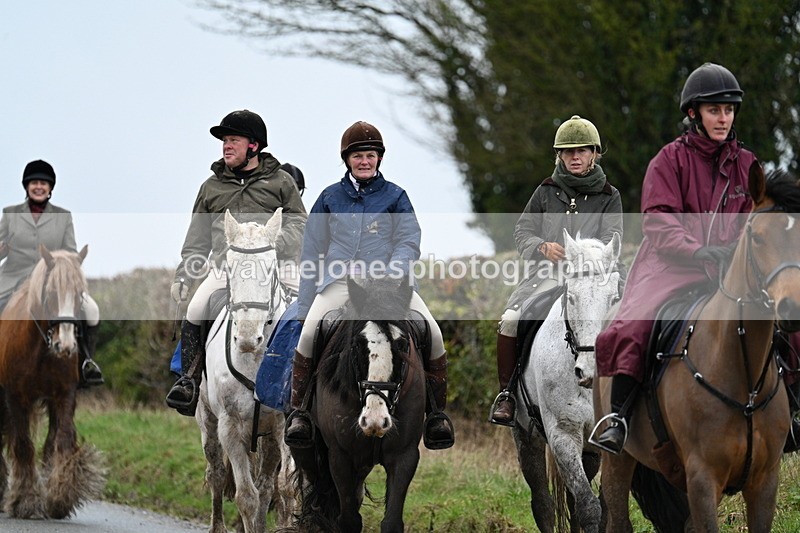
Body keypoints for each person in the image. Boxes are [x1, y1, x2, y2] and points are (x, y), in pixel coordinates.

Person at [590, 63, 763, 454]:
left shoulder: (748, 165)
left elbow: (758, 219)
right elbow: (659, 222)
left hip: (732, 268)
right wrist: (699, 250)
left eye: (729, 110)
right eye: (715, 110)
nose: (723, 118)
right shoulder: (668, 161)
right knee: (635, 322)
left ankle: (791, 406)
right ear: (694, 114)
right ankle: (616, 415)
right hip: (672, 265)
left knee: (785, 317)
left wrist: (740, 256)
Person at [284, 120, 455, 450]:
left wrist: (392, 272)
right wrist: (305, 304)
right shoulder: (329, 197)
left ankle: (436, 416)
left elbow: (409, 239)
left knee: (433, 332)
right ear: (347, 160)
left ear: (379, 159)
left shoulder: (396, 196)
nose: (365, 161)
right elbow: (312, 250)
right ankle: (301, 412)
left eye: (371, 155)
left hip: (390, 286)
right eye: (359, 156)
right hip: (339, 283)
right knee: (308, 335)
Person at [165, 109, 307, 416]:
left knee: (309, 310)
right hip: (226, 269)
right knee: (195, 308)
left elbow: (299, 222)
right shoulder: (210, 188)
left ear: (253, 146)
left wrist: (272, 247)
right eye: (224, 141)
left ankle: (306, 390)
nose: (226, 146)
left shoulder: (281, 182)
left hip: (276, 266)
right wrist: (184, 276)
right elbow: (197, 240)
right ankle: (188, 380)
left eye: (233, 140)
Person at [488, 115, 625, 425]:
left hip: (594, 276)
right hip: (549, 274)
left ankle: (633, 393)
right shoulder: (546, 191)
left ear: (594, 153)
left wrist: (584, 257)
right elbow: (522, 230)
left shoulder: (609, 195)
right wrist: (541, 247)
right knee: (510, 321)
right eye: (567, 152)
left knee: (634, 320)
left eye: (581, 151)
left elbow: (611, 239)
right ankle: (508, 394)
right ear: (559, 156)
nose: (574, 157)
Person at [0, 159, 103, 387]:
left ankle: (85, 362)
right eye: (34, 182)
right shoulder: (10, 213)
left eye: (44, 183)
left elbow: (71, 251)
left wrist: (66, 264)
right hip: (14, 277)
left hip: (52, 281)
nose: (39, 186)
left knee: (91, 310)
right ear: (27, 186)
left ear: (50, 188)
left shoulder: (63, 216)